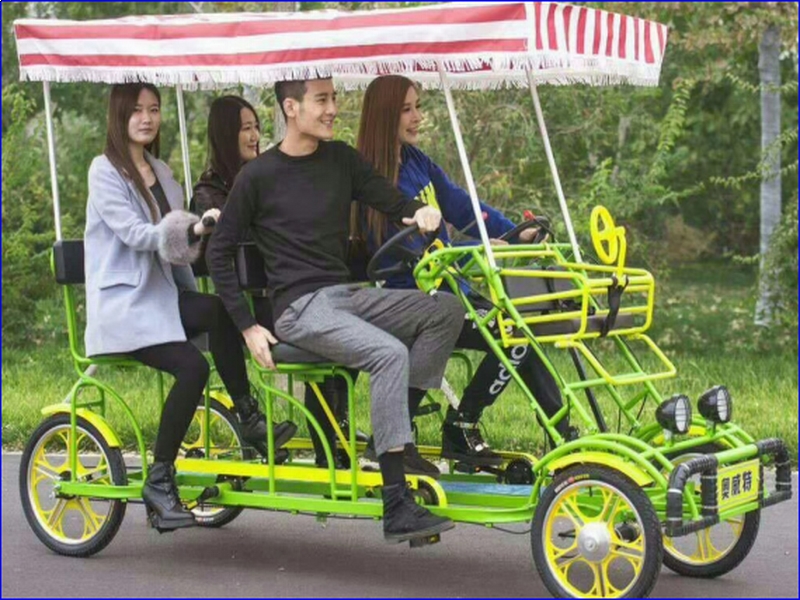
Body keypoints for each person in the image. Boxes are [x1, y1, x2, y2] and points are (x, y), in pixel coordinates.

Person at [207, 77, 463, 544]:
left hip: (346, 295)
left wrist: (418, 212)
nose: (332, 109)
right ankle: (396, 503)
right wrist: (248, 327)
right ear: (291, 107)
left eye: (334, 99)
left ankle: (394, 435)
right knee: (388, 354)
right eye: (321, 100)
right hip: (298, 309)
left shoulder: (341, 159)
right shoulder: (258, 176)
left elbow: (392, 200)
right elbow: (218, 253)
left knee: (445, 310)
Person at [83, 83, 294, 532]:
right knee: (193, 367)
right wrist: (193, 229)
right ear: (119, 116)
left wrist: (196, 246)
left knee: (221, 310)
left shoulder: (163, 172)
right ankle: (160, 480)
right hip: (125, 307)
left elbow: (178, 254)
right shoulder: (104, 170)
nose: (147, 118)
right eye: (136, 110)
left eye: (154, 109)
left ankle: (248, 416)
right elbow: (135, 234)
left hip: (162, 300)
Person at [355, 75, 574, 469]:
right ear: (384, 116)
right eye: (406, 110)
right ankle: (460, 426)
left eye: (418, 106)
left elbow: (460, 204)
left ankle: (559, 432)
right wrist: (476, 251)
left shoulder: (416, 161)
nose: (418, 117)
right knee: (513, 333)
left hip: (448, 292)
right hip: (410, 298)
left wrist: (512, 231)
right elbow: (409, 253)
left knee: (518, 327)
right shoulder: (374, 180)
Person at [193, 95, 355, 468]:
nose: (254, 136)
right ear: (225, 134)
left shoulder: (270, 173)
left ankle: (332, 428)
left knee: (344, 325)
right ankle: (250, 412)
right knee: (315, 329)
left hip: (281, 290)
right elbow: (219, 247)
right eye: (245, 129)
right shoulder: (209, 191)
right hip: (246, 303)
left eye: (256, 127)